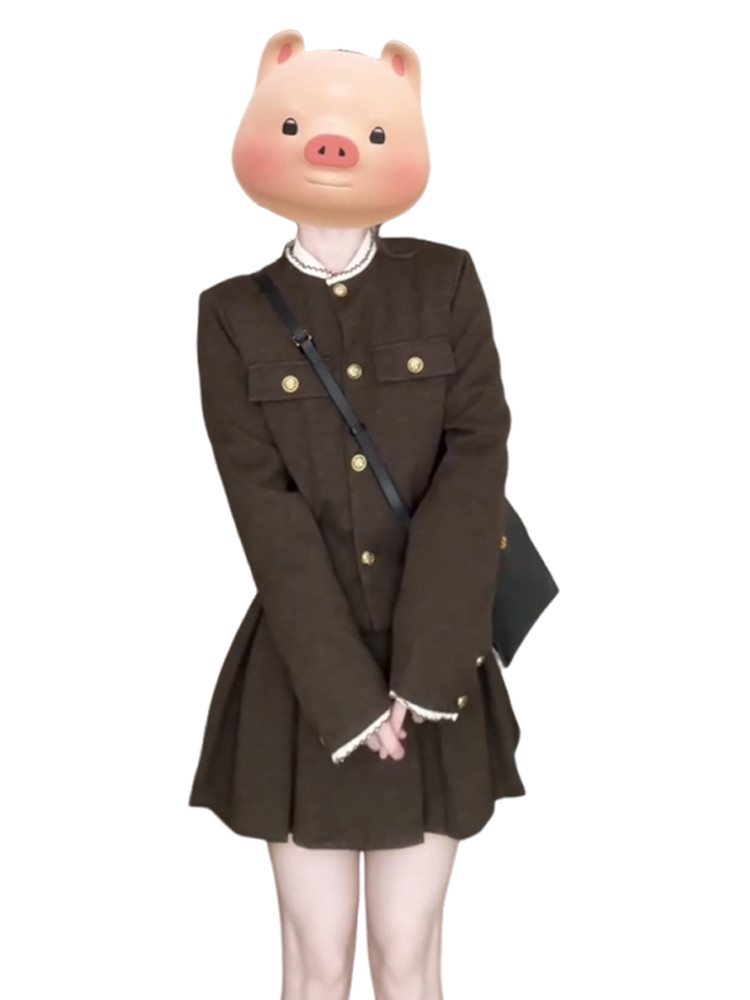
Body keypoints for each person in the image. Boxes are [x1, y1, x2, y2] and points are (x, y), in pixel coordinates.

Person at [189, 29, 525, 1000]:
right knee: (315, 963)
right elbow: (267, 519)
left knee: (407, 959)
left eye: (366, 132)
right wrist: (352, 702)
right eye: (300, 126)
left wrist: (421, 679)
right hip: (306, 680)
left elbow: (475, 472)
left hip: (436, 672)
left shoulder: (447, 281)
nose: (332, 149)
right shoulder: (229, 315)